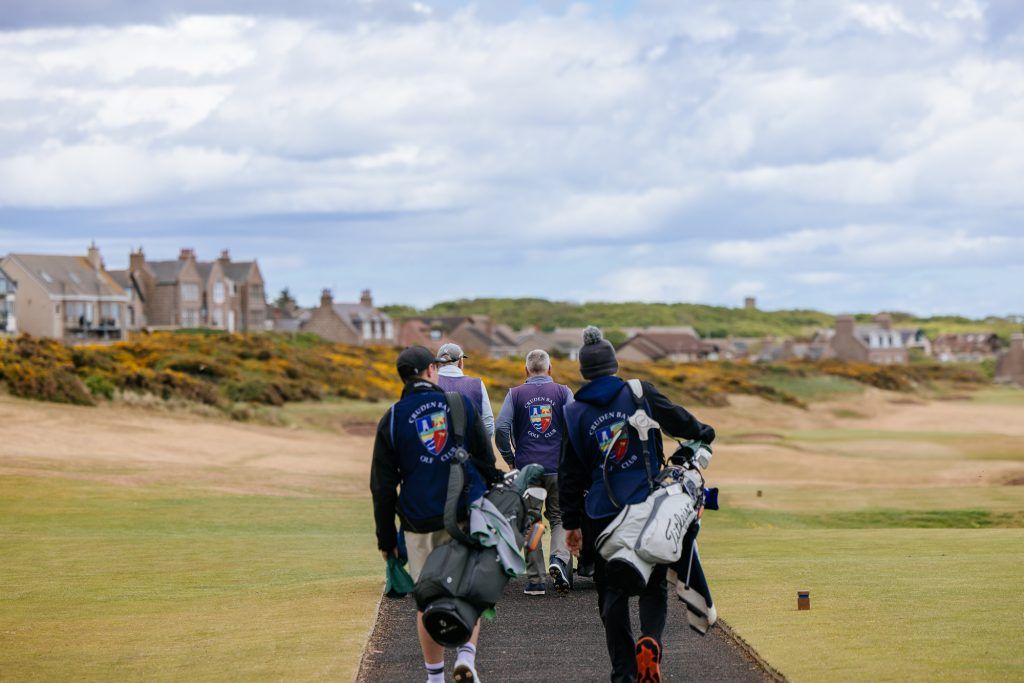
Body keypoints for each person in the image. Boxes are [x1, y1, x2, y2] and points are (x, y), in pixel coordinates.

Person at [560, 327, 716, 683]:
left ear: (584, 371)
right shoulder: (638, 392)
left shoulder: (575, 411)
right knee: (653, 584)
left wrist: (571, 524)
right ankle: (650, 640)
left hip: (601, 515)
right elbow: (680, 420)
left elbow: (570, 474)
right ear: (614, 364)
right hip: (647, 505)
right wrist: (703, 433)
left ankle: (624, 672)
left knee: (612, 594)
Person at [371, 346, 501, 683]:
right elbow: (486, 463)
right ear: (432, 369)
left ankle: (434, 677)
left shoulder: (394, 416)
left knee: (427, 600)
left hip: (416, 523)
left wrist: (387, 539)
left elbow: (382, 487)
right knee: (466, 591)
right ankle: (467, 659)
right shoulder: (459, 405)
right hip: (461, 515)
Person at [494, 349, 574, 596]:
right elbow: (575, 426)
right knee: (559, 517)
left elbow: (501, 428)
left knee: (531, 520)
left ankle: (536, 580)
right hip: (558, 468)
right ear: (550, 369)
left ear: (525, 370)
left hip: (527, 469)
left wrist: (511, 458)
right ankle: (559, 560)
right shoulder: (563, 392)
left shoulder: (515, 394)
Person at [435, 342, 495, 438]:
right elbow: (488, 425)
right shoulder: (477, 384)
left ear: (438, 362)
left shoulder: (430, 383)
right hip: (469, 450)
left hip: (438, 448)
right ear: (460, 361)